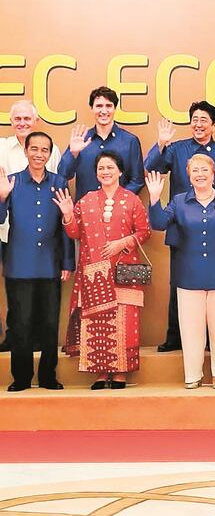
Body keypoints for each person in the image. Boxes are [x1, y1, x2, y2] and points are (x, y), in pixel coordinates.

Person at [147, 158, 215, 390]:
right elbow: (159, 223)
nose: (200, 174)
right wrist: (154, 199)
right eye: (195, 170)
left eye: (205, 169)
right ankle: (193, 374)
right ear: (188, 175)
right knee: (191, 329)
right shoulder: (179, 201)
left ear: (214, 174)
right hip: (188, 275)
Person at [55, 151, 151, 390]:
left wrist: (123, 242)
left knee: (125, 322)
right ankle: (100, 372)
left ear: (120, 171)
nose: (105, 172)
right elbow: (75, 233)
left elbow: (144, 232)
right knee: (97, 324)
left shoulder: (132, 200)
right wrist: (68, 214)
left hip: (123, 272)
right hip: (94, 274)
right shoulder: (86, 200)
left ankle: (120, 373)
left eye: (110, 167)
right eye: (101, 168)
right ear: (96, 173)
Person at [145, 102, 215, 353]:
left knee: (213, 288)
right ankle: (175, 336)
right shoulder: (176, 149)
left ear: (214, 125)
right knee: (179, 284)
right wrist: (161, 143)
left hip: (214, 230)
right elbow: (151, 167)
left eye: (204, 119)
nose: (198, 124)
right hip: (182, 228)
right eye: (194, 119)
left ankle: (209, 339)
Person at [0, 132, 73, 391]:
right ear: (26, 151)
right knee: (21, 324)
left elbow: (66, 226)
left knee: (50, 323)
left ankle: (48, 376)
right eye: (34, 149)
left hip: (50, 264)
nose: (39, 154)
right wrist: (1, 198)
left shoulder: (59, 182)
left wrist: (67, 262)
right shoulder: (12, 181)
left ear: (50, 154)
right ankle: (21, 378)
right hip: (19, 265)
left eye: (44, 150)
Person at [0, 101, 61, 353]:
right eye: (18, 119)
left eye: (27, 118)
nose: (22, 123)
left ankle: (36, 342)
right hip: (7, 231)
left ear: (36, 121)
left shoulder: (51, 149)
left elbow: (54, 184)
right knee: (17, 294)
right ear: (10, 121)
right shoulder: (2, 147)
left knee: (42, 298)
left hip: (41, 232)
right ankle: (14, 340)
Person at [57, 86, 144, 201]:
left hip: (120, 209)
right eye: (99, 106)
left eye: (108, 106)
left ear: (115, 108)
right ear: (92, 108)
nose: (104, 111)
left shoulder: (130, 141)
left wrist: (118, 201)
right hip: (86, 209)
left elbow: (137, 181)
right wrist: (73, 154)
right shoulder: (81, 139)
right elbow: (63, 175)